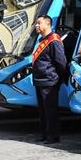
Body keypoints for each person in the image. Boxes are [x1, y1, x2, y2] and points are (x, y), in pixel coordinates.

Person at [32, 15, 67, 144]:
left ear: (48, 24)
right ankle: (45, 134)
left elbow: (61, 62)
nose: (36, 25)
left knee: (50, 110)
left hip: (49, 81)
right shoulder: (42, 40)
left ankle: (53, 136)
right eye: (36, 23)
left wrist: (59, 78)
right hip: (40, 80)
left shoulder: (54, 40)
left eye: (39, 23)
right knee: (43, 111)